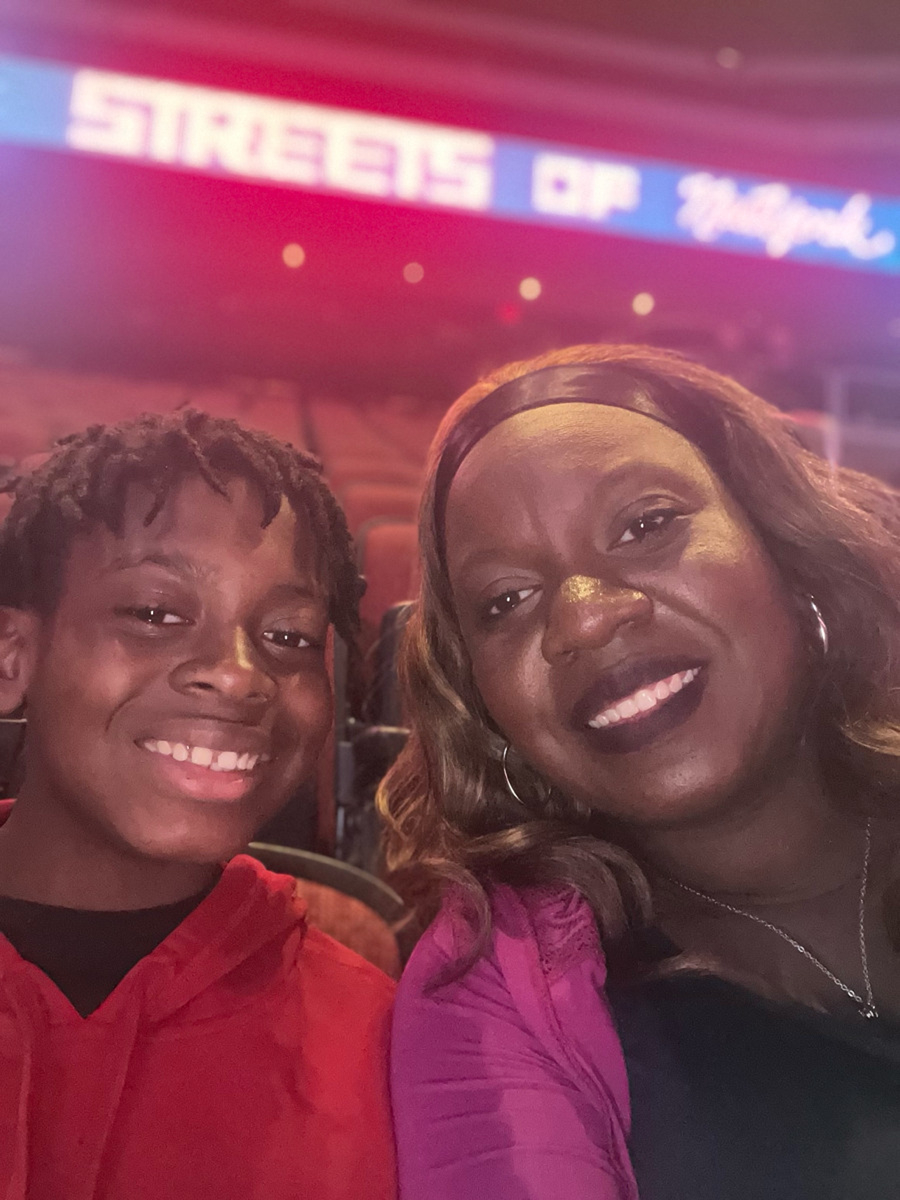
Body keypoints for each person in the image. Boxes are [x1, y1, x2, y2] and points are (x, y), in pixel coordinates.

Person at [380, 344, 900, 1200]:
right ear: (486, 706)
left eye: (645, 526)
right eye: (507, 600)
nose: (584, 620)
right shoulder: (496, 987)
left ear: (784, 548)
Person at [0, 410, 396, 1200]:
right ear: (13, 658)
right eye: (155, 614)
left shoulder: (382, 1037)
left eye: (289, 636)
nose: (240, 674)